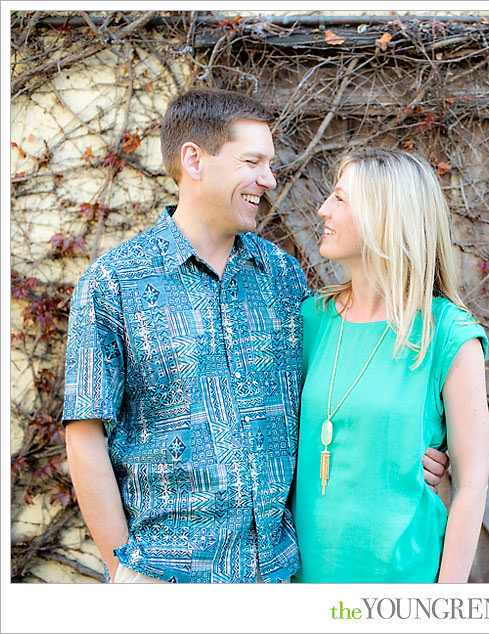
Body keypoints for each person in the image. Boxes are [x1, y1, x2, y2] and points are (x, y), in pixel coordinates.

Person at [62, 88, 448, 583]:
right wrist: (123, 569)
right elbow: (85, 434)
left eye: (270, 163)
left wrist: (411, 452)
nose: (268, 178)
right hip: (167, 578)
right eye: (253, 161)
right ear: (194, 160)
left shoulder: (284, 279)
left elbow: (337, 394)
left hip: (278, 574)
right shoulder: (113, 283)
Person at [291, 149, 489, 583]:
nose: (323, 208)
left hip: (403, 583)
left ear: (385, 216)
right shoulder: (310, 321)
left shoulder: (448, 335)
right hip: (304, 579)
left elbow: (473, 485)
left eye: (340, 199)